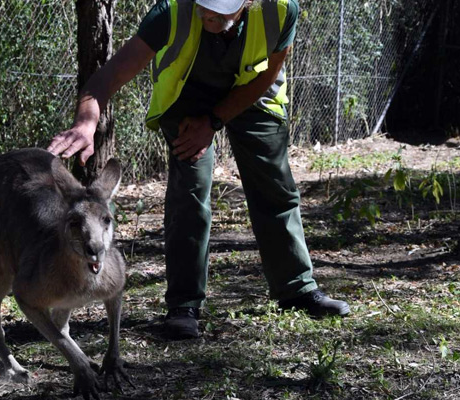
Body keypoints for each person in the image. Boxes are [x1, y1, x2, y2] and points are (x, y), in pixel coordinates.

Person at [48, 0, 350, 340]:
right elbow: (107, 76)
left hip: (253, 93)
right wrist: (87, 123)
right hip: (187, 98)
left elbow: (268, 73)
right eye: (205, 6)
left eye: (221, 10)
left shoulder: (280, 10)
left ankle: (297, 289)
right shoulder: (171, 12)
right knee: (190, 189)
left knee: (274, 183)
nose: (208, 15)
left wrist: (215, 120)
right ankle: (184, 305)